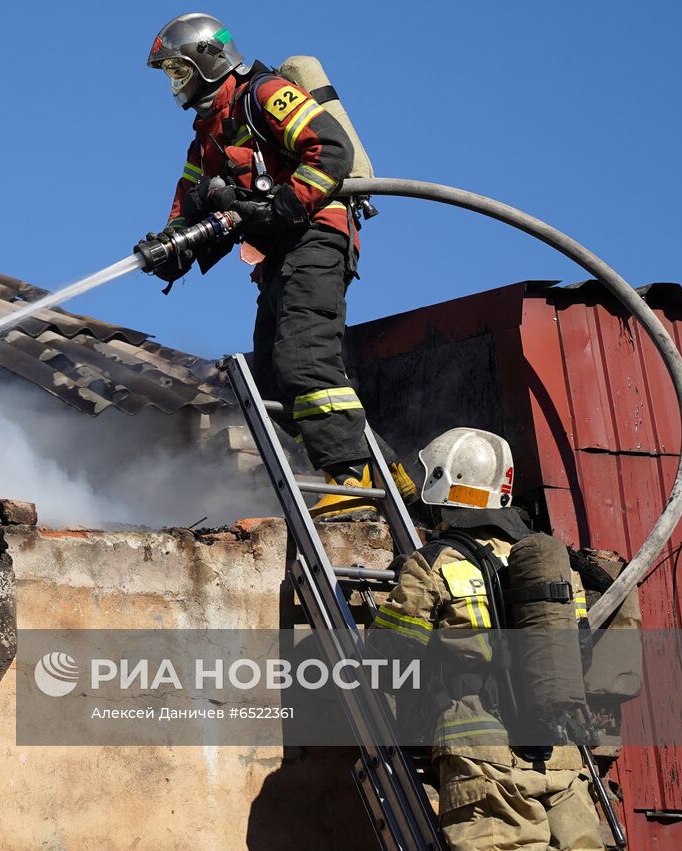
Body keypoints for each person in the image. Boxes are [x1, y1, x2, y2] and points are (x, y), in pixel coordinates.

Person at [143, 13, 399, 518]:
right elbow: (191, 205)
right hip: (278, 257)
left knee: (304, 360)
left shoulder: (265, 95)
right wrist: (171, 249)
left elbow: (331, 149)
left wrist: (283, 205)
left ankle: (349, 478)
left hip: (316, 237)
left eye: (179, 69)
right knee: (272, 383)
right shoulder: (207, 135)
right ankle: (390, 474)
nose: (176, 82)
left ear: (208, 60)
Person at [367, 427, 605, 850]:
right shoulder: (556, 568)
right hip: (559, 752)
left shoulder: (436, 562)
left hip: (483, 753)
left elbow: (389, 655)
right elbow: (580, 649)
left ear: (441, 480)